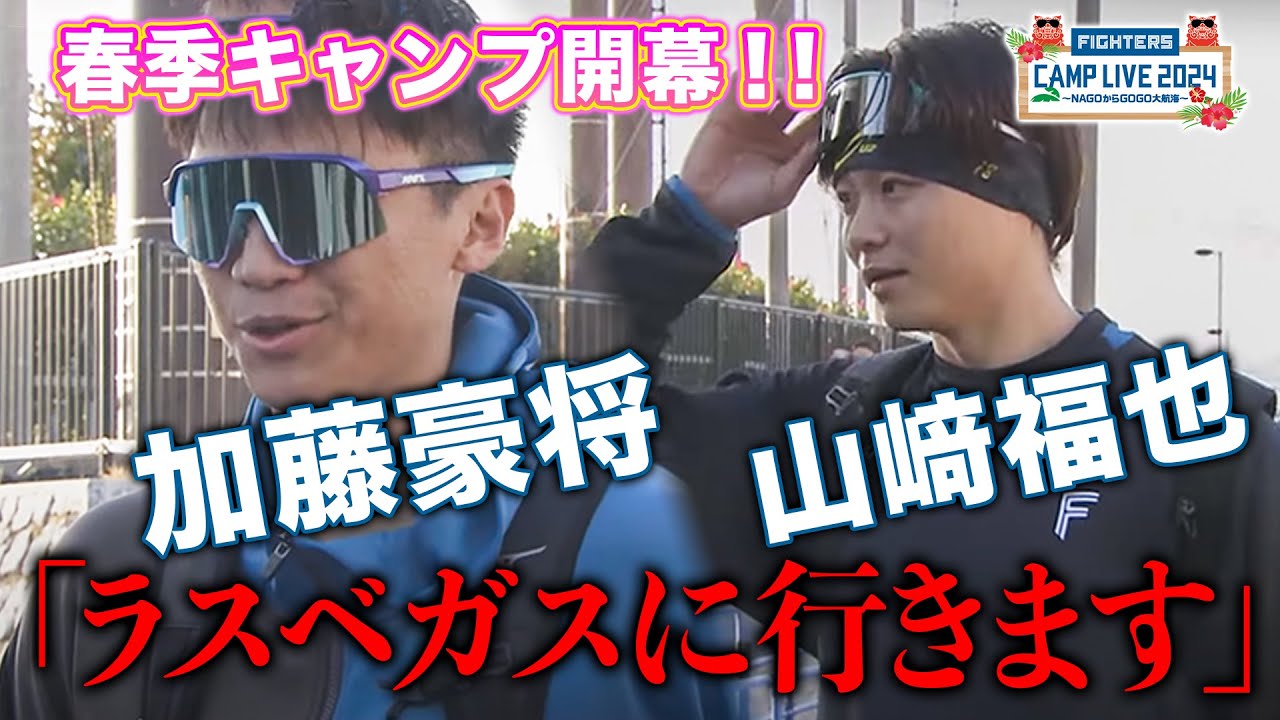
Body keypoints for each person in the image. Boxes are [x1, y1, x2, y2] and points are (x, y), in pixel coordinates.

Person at [0, 1, 814, 718]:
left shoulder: (612, 549)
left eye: (315, 203)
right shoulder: (111, 571)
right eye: (211, 206)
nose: (254, 263)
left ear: (480, 222)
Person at [583, 19, 1280, 720]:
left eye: (895, 187)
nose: (861, 233)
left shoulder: (1208, 450)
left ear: (1013, 184)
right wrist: (689, 220)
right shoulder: (836, 430)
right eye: (848, 198)